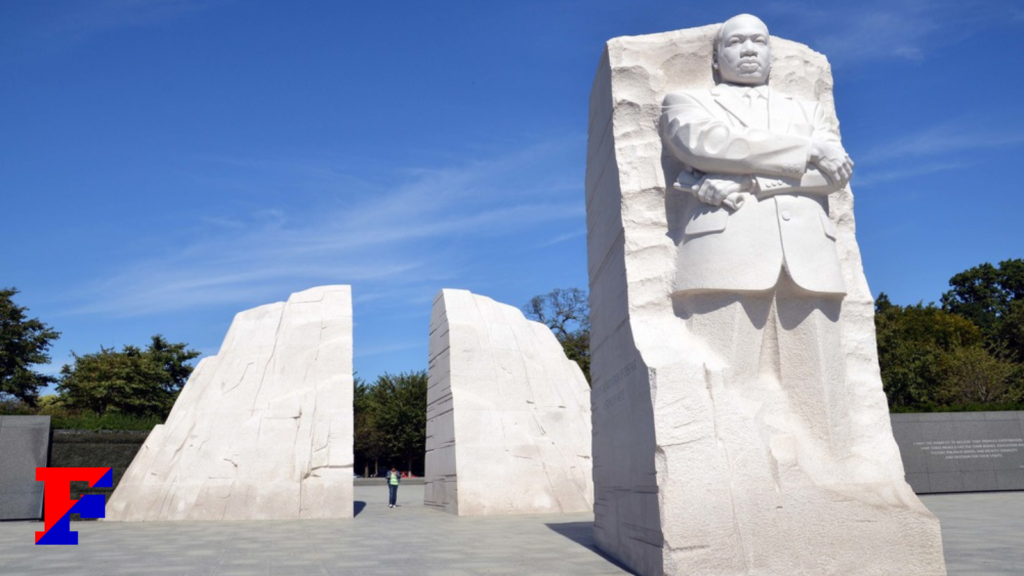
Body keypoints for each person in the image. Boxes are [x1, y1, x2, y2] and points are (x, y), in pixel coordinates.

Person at [660, 13, 855, 442]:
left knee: (822, 390)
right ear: (715, 58)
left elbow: (834, 176)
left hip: (810, 256)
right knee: (725, 381)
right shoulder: (685, 102)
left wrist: (747, 180)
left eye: (759, 41)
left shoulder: (810, 111)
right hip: (725, 252)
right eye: (736, 42)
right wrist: (807, 151)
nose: (749, 49)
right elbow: (707, 146)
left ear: (771, 54)